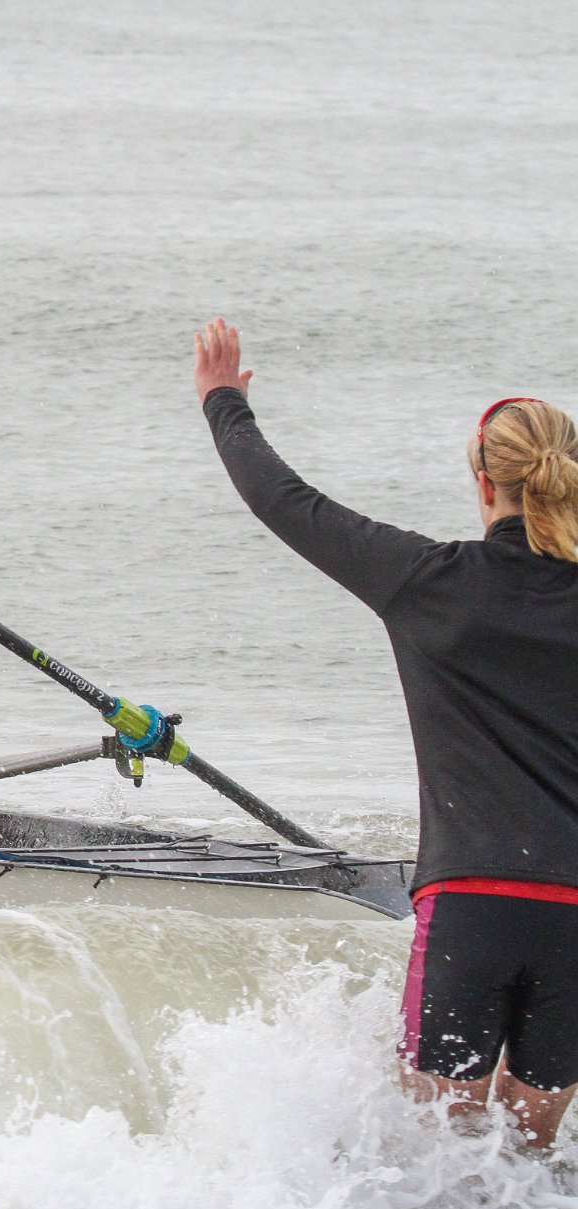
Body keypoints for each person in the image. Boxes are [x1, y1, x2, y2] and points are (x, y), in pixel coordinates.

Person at [193, 316, 578, 1154]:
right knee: (531, 1166)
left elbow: (286, 503)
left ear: (483, 484)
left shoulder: (426, 582)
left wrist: (224, 403)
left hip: (472, 904)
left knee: (437, 1155)